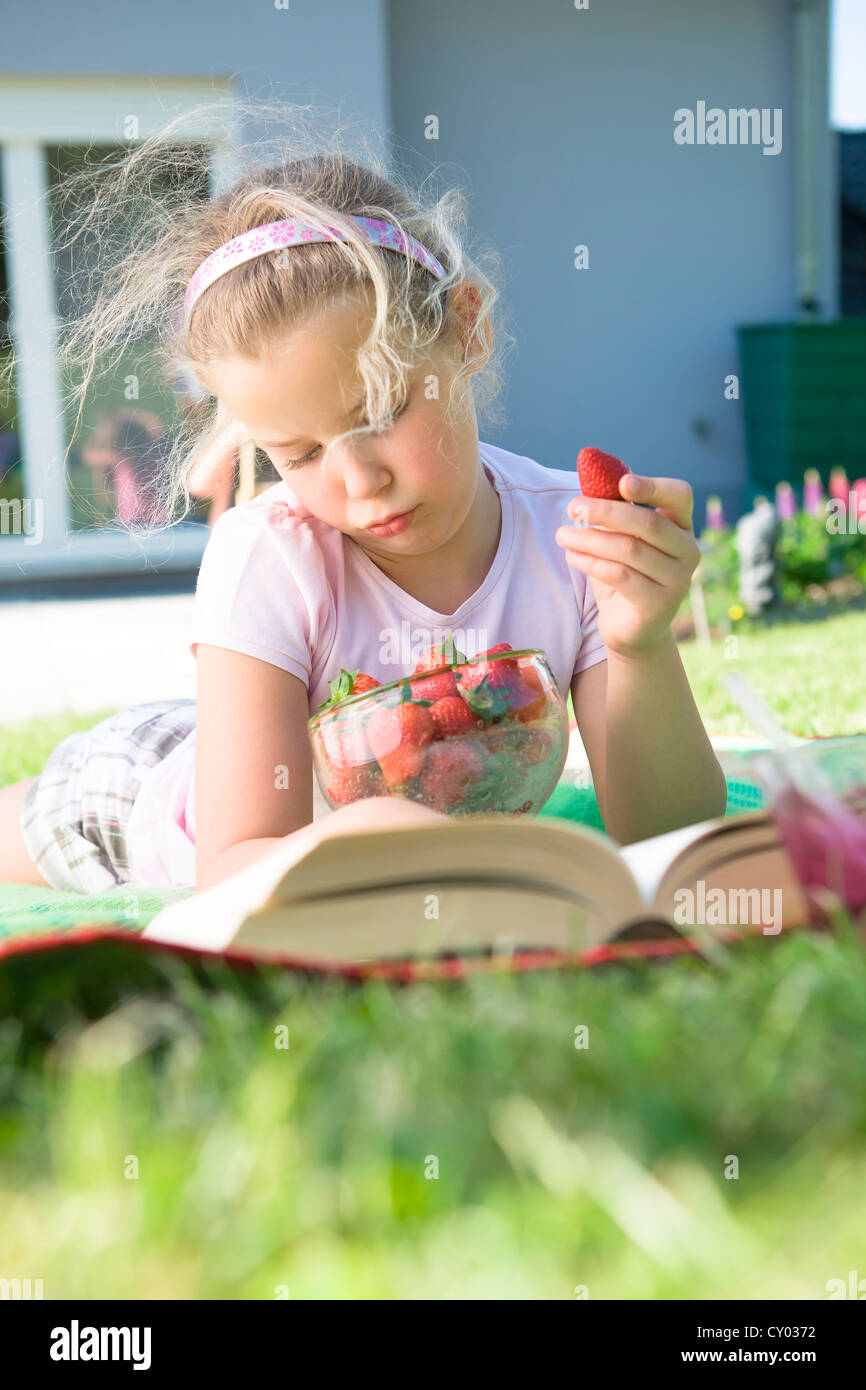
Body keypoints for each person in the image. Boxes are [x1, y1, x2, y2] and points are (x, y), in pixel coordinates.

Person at [0, 113, 727, 896]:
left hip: (242, 733)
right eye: (301, 454)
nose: (358, 482)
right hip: (132, 797)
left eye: (380, 413)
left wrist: (640, 645)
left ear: (468, 328)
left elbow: (668, 833)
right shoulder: (269, 556)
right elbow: (233, 870)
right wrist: (390, 835)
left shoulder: (566, 538)